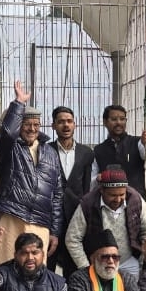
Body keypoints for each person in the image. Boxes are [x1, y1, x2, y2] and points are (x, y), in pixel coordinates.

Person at [0, 81, 63, 263]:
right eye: (27, 124)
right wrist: (18, 103)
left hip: (40, 222)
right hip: (12, 217)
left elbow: (57, 194)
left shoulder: (50, 152)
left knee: (35, 269)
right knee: (7, 266)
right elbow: (7, 133)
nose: (32, 129)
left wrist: (55, 231)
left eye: (36, 124)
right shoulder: (10, 148)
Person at [65, 165, 146, 277]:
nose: (118, 200)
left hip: (129, 262)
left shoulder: (135, 200)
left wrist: (143, 261)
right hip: (99, 264)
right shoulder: (88, 204)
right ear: (102, 190)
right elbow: (72, 238)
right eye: (113, 195)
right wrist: (86, 269)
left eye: (122, 195)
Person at [48, 105, 96, 276]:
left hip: (76, 216)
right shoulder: (46, 150)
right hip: (51, 216)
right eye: (61, 122)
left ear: (75, 124)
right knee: (49, 262)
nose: (66, 125)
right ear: (53, 125)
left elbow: (87, 188)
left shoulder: (86, 152)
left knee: (73, 265)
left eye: (69, 121)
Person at [91, 104, 146, 197]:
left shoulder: (138, 142)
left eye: (122, 119)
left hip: (135, 199)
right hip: (109, 201)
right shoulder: (98, 150)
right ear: (105, 122)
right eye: (114, 119)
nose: (119, 123)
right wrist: (98, 178)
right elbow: (92, 179)